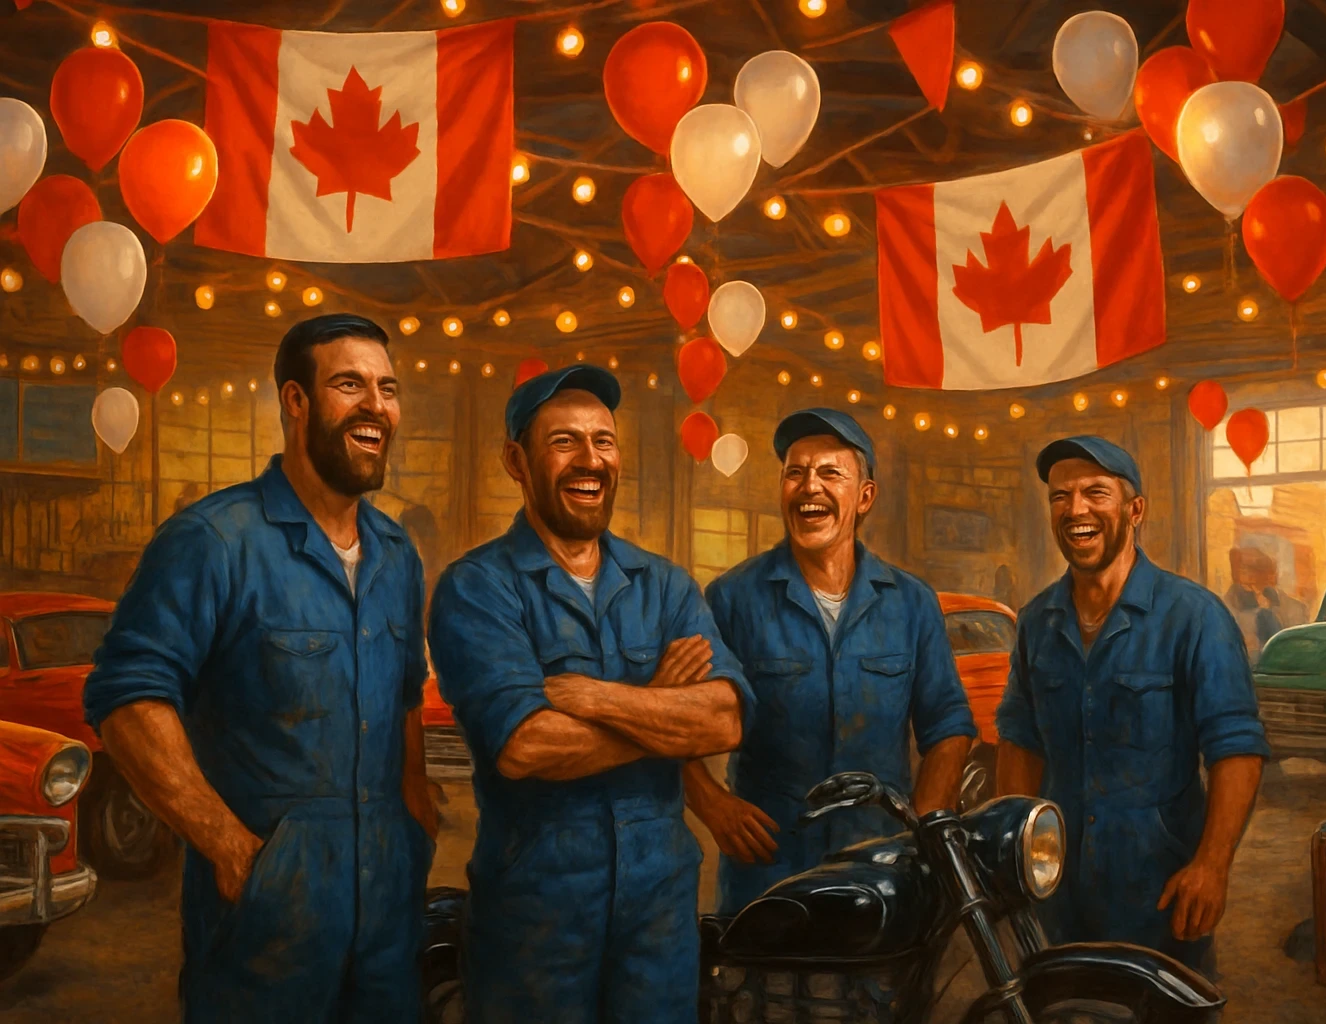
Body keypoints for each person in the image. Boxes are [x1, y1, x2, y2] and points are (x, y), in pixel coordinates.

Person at [83, 314, 438, 1023]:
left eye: (388, 388)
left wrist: (415, 826)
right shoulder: (213, 541)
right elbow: (128, 700)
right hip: (265, 930)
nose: (376, 406)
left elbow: (404, 699)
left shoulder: (397, 555)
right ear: (295, 401)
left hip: (387, 923)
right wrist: (230, 847)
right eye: (350, 384)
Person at [428, 366, 753, 1024]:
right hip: (534, 915)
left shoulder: (665, 586)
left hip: (659, 913)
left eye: (603, 441)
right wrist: (662, 706)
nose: (590, 460)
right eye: (564, 441)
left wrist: (601, 699)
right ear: (516, 462)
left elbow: (722, 721)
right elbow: (526, 746)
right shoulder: (477, 588)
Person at [994, 435, 1268, 974]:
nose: (1076, 510)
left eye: (1095, 493)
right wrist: (1013, 854)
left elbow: (1236, 749)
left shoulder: (1194, 617)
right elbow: (1020, 741)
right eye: (1060, 496)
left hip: (1159, 897)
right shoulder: (1036, 621)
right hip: (1055, 899)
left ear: (1134, 510)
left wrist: (1212, 866)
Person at [690, 408, 977, 915]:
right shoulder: (731, 598)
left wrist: (924, 827)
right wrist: (712, 804)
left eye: (829, 473)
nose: (809, 487)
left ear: (864, 497)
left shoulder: (912, 602)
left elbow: (949, 725)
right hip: (769, 875)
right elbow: (676, 722)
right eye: (795, 473)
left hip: (883, 872)